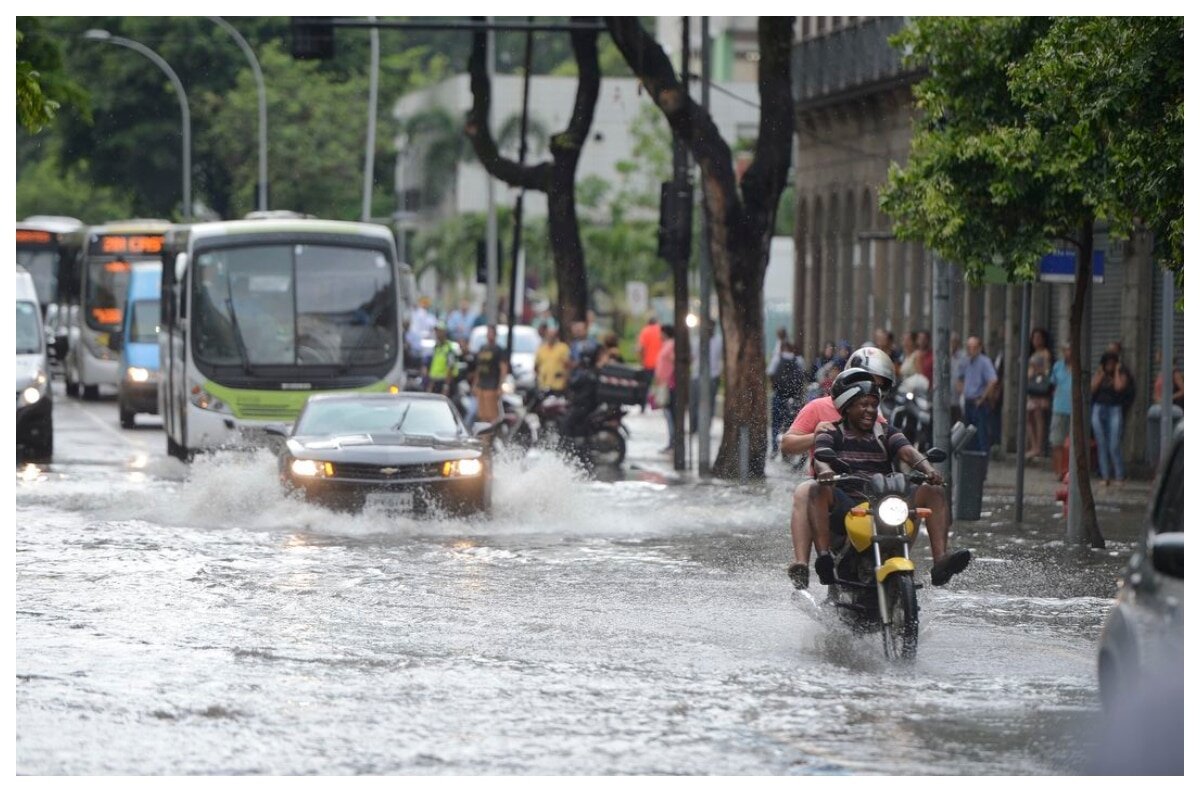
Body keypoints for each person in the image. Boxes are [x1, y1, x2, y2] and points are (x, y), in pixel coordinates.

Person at [809, 368, 969, 588]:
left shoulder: (885, 431)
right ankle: (824, 557)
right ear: (847, 407)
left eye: (874, 405)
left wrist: (928, 469)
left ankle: (941, 560)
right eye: (863, 405)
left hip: (885, 501)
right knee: (816, 489)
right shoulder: (831, 433)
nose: (870, 411)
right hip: (849, 504)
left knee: (934, 491)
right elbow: (820, 458)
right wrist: (825, 470)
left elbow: (908, 452)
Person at [779, 345, 896, 589]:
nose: (871, 393)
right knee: (805, 490)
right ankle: (802, 563)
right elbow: (788, 444)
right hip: (830, 487)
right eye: (866, 381)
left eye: (879, 385)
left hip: (868, 490)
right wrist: (816, 435)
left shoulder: (877, 416)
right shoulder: (818, 408)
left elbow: (895, 448)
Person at [1091, 350, 1130, 486]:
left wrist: (1117, 372)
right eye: (1107, 363)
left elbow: (1119, 387)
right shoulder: (1100, 373)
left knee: (1114, 444)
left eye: (1112, 363)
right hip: (1099, 408)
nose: (1110, 366)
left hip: (1114, 409)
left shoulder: (1121, 374)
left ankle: (1119, 475)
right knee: (1101, 444)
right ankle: (1105, 475)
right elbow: (1092, 388)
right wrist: (1101, 374)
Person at [957, 335, 999, 454]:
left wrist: (982, 397)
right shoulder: (966, 362)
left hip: (978, 402)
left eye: (974, 347)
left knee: (981, 433)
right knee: (969, 434)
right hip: (968, 400)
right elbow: (959, 378)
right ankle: (971, 456)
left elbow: (993, 380)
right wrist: (962, 392)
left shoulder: (984, 362)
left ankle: (982, 457)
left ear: (980, 348)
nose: (971, 350)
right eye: (969, 347)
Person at [770, 341, 806, 459]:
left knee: (776, 423)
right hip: (793, 397)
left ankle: (775, 449)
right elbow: (803, 376)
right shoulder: (799, 360)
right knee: (790, 424)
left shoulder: (777, 358)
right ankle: (788, 451)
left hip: (779, 395)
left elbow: (770, 373)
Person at [1025, 328, 1054, 461]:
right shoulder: (1032, 353)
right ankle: (1033, 444)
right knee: (1029, 418)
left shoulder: (1045, 353)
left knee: (1038, 417)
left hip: (1040, 390)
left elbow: (1048, 371)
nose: (1036, 340)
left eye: (1038, 338)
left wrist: (1037, 370)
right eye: (1034, 338)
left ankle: (1039, 447)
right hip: (1031, 389)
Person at [472, 325, 509, 426]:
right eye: (488, 333)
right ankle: (484, 437)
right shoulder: (482, 348)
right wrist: (475, 384)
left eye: (491, 333)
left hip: (492, 385)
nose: (489, 335)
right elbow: (478, 368)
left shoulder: (499, 350)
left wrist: (501, 385)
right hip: (481, 385)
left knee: (492, 415)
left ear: (495, 335)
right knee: (481, 415)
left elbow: (503, 369)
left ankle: (490, 438)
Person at [689, 327, 723, 434]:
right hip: (697, 375)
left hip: (713, 375)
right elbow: (692, 357)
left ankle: (705, 428)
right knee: (694, 402)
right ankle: (694, 426)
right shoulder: (696, 340)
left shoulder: (719, 341)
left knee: (710, 403)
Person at [1048, 342, 1073, 480]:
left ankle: (1069, 471)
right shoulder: (1058, 366)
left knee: (1071, 444)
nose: (1069, 353)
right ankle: (1059, 471)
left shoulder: (1080, 367)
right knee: (1057, 441)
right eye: (1067, 350)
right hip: (1059, 408)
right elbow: (1052, 385)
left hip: (1074, 411)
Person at [653, 324, 676, 454]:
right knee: (668, 414)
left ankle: (673, 442)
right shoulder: (667, 344)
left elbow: (673, 361)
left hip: (669, 384)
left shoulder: (671, 344)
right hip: (664, 383)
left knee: (670, 414)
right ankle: (671, 442)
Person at [534, 325, 570, 394]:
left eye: (553, 335)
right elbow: (536, 366)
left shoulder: (563, 348)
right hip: (544, 384)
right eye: (549, 335)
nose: (550, 337)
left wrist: (566, 379)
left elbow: (567, 365)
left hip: (558, 385)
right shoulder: (541, 349)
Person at [423, 324, 458, 397]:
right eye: (436, 331)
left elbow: (450, 368)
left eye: (439, 331)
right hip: (435, 383)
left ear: (444, 332)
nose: (437, 333)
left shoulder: (449, 348)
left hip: (443, 383)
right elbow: (434, 367)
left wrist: (446, 386)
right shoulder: (436, 347)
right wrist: (430, 384)